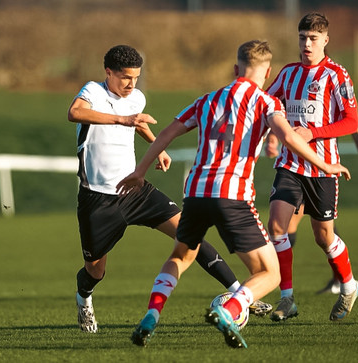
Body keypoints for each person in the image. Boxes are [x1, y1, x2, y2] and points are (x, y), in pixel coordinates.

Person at [117, 40, 350, 348]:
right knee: (271, 273)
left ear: (235, 68)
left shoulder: (207, 100)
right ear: (267, 73)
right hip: (232, 196)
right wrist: (325, 164)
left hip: (196, 193)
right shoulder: (266, 103)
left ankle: (152, 315)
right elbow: (289, 137)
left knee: (180, 255)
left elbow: (167, 133)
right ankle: (230, 310)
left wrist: (140, 171)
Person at [67, 44, 271, 334]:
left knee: (190, 236)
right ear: (108, 72)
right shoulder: (92, 92)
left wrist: (156, 146)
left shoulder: (135, 97)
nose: (131, 84)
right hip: (98, 199)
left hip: (136, 191)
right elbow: (75, 113)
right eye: (125, 77)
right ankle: (84, 299)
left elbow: (137, 124)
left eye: (136, 77)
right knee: (95, 270)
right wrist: (123, 120)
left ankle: (240, 293)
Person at [264, 12, 358, 322]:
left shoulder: (336, 75)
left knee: (323, 237)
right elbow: (266, 102)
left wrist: (313, 132)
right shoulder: (288, 72)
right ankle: (287, 298)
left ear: (325, 40)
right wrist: (269, 134)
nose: (306, 44)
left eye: (313, 39)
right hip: (289, 164)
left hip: (322, 169)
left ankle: (349, 286)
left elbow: (351, 121)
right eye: (302, 38)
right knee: (277, 227)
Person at [265, 120, 358, 294]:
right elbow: (280, 118)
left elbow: (357, 130)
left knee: (323, 232)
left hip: (321, 176)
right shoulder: (293, 93)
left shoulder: (336, 97)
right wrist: (272, 138)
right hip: (296, 171)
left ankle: (341, 281)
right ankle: (274, 282)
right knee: (286, 227)